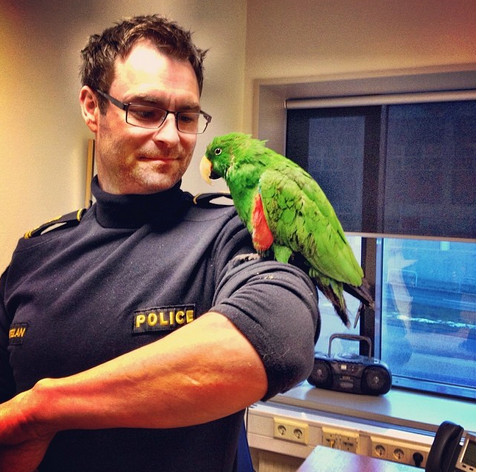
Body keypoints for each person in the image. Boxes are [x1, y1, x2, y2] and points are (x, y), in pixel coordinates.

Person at [0, 14, 319, 472]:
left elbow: (279, 339)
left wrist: (43, 408)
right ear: (92, 108)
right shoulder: (35, 254)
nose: (171, 137)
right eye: (145, 111)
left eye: (186, 117)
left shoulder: (230, 234)